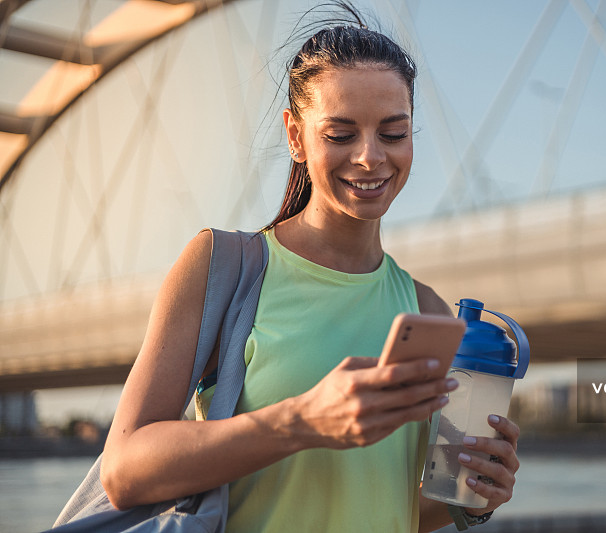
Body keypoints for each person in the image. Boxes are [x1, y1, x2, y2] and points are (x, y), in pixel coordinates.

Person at [100, 6, 519, 532]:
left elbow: (395, 507)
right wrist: (302, 421)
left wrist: (474, 499)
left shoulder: (427, 310)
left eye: (394, 133)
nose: (370, 157)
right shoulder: (222, 267)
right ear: (295, 137)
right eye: (340, 134)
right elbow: (123, 473)